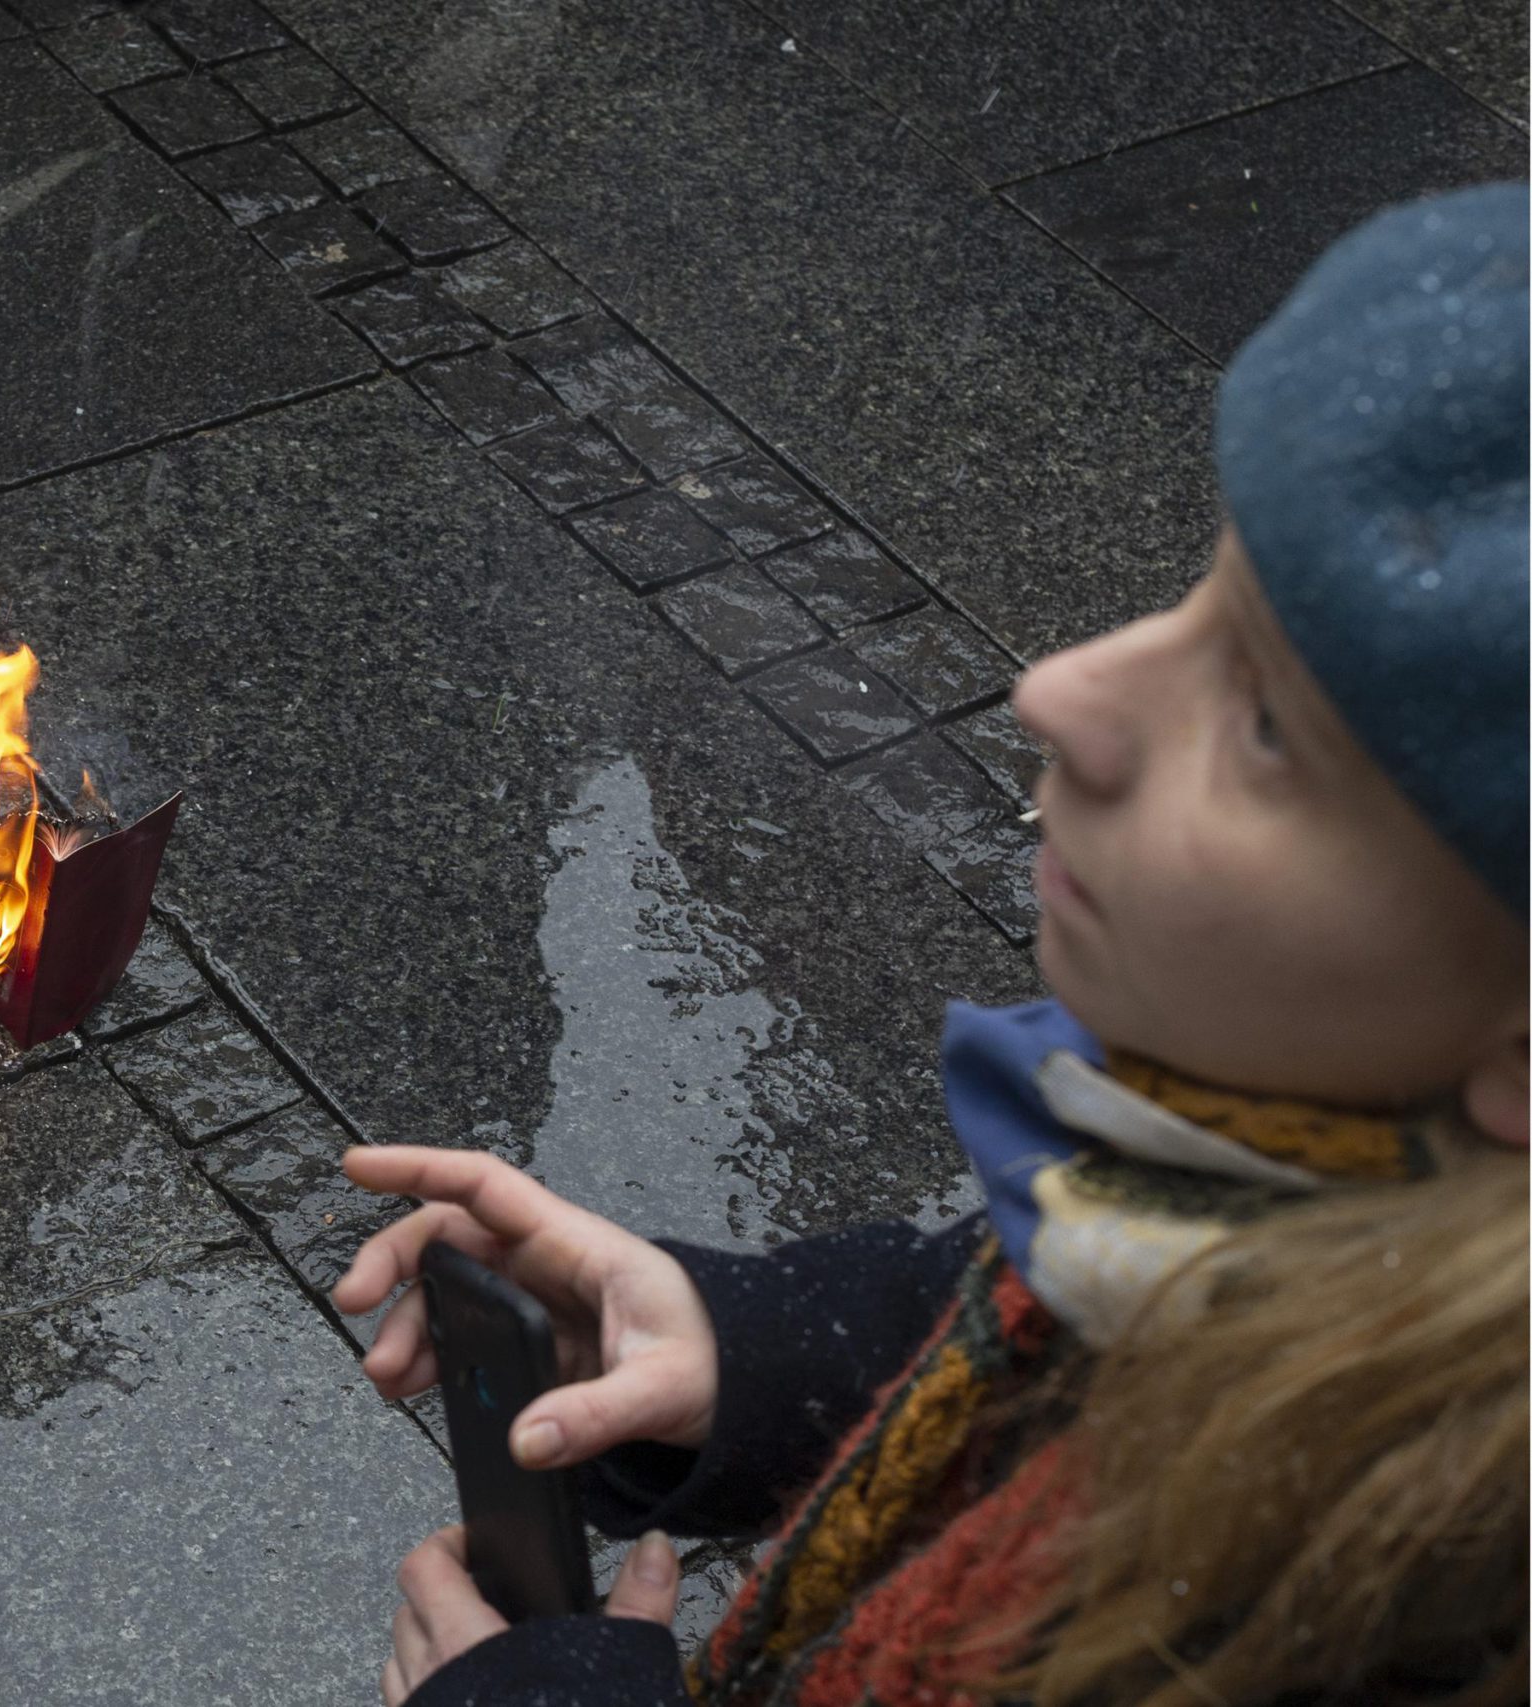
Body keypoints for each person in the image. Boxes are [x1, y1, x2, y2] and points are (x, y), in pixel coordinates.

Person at [336, 180, 1530, 1707]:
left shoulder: (1381, 1606)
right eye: (1203, 587)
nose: (1063, 694)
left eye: (1272, 724)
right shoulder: (1282, 1184)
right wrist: (741, 1354)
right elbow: (1073, 1317)